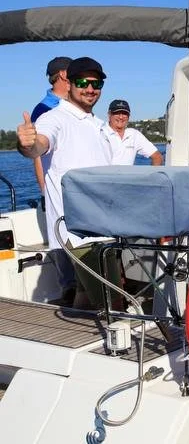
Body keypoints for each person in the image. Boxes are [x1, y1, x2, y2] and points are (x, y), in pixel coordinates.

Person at [16, 56, 117, 309]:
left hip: (103, 225)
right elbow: (38, 146)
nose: (91, 89)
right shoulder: (55, 118)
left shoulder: (98, 125)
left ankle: (83, 328)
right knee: (112, 300)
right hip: (78, 232)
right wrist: (27, 144)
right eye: (83, 82)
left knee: (85, 293)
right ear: (69, 83)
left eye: (97, 84)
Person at [31, 57, 72, 194]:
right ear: (63, 74)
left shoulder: (76, 106)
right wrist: (44, 192)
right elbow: (37, 155)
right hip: (58, 189)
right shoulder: (42, 109)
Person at [102, 99, 163, 165]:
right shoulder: (101, 133)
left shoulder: (134, 135)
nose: (121, 117)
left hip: (128, 175)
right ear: (109, 114)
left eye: (125, 113)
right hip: (104, 175)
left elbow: (157, 157)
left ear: (129, 116)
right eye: (117, 113)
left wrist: (152, 174)